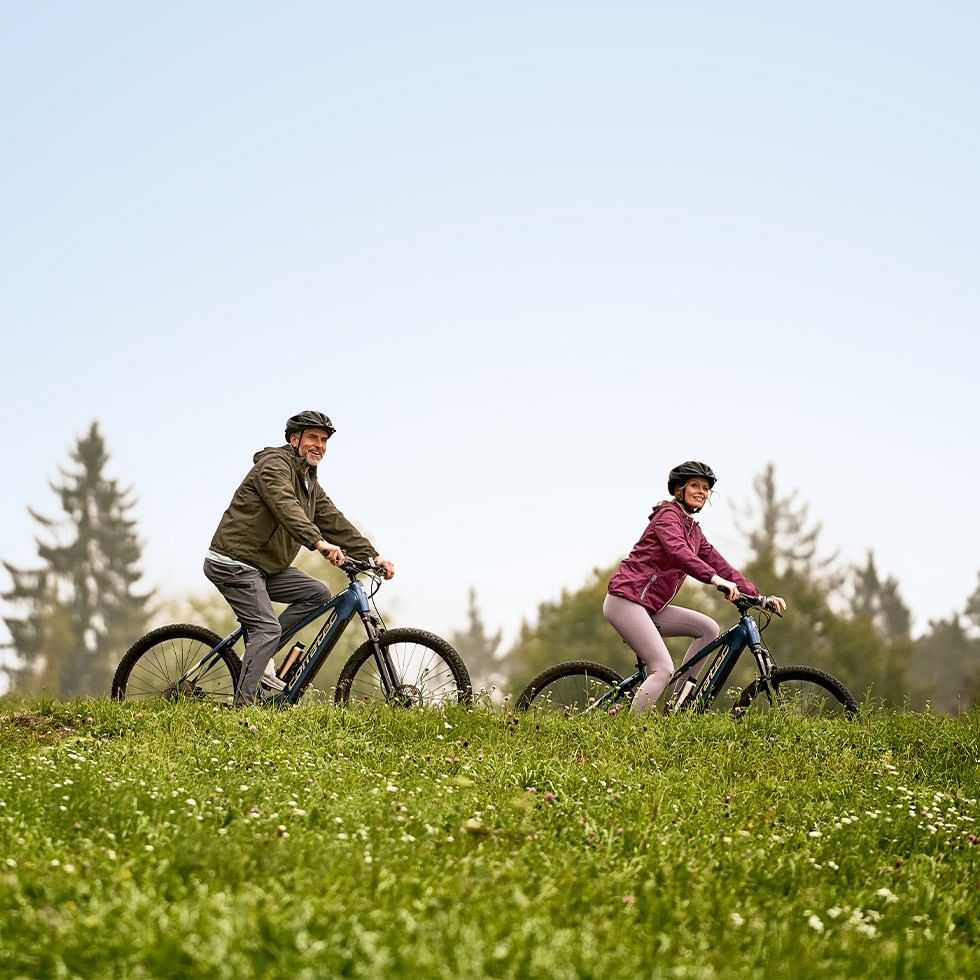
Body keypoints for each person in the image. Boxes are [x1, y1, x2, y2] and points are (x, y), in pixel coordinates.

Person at [204, 410, 394, 706]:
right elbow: (285, 505)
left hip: (265, 566)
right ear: (295, 440)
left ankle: (259, 654)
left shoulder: (308, 482)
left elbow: (333, 519)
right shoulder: (274, 466)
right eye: (313, 438)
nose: (319, 445)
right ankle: (242, 709)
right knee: (266, 628)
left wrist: (373, 555)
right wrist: (318, 543)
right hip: (235, 563)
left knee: (316, 593)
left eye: (324, 440)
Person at [603, 460, 786, 712]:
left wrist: (759, 597)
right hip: (626, 601)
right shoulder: (667, 516)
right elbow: (678, 552)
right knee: (663, 668)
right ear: (679, 490)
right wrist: (714, 579)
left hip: (650, 606)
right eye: (695, 486)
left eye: (706, 488)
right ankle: (631, 734)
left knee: (708, 628)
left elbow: (721, 565)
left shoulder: (693, 531)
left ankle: (677, 704)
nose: (701, 491)